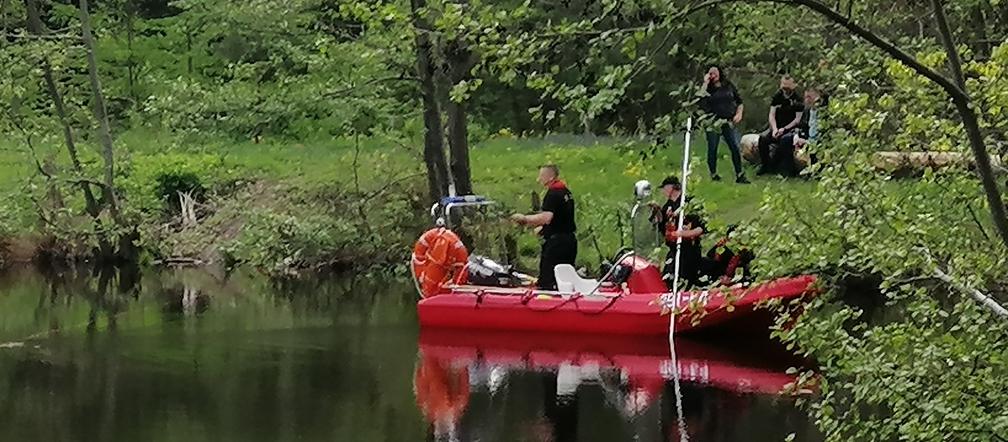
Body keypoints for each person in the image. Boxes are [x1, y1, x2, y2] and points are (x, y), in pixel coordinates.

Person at [511, 164, 577, 290]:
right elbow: (562, 217)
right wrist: (544, 229)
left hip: (557, 244)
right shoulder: (566, 192)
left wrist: (524, 219)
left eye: (542, 176)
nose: (538, 179)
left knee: (548, 279)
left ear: (551, 177)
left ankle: (547, 301)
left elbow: (546, 218)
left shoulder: (552, 194)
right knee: (566, 277)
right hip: (569, 241)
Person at [651, 176, 707, 289]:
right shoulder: (667, 207)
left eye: (665, 188)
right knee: (668, 276)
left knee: (687, 278)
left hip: (689, 249)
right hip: (673, 248)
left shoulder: (688, 204)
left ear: (672, 187)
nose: (663, 191)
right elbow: (662, 229)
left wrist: (682, 234)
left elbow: (701, 228)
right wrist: (657, 214)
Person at [698, 65, 749, 184]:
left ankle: (739, 175)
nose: (713, 75)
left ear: (720, 73)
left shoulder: (728, 85)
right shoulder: (707, 89)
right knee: (713, 148)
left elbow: (739, 101)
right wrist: (705, 83)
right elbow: (700, 100)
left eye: (715, 72)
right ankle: (713, 174)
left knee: (734, 147)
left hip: (728, 120)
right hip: (713, 121)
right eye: (710, 73)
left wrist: (738, 114)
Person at [757, 75, 804, 175]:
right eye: (783, 85)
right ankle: (765, 165)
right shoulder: (777, 96)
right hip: (776, 127)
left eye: (788, 86)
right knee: (763, 139)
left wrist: (784, 129)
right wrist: (774, 129)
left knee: (784, 141)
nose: (785, 88)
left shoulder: (797, 99)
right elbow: (772, 114)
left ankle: (781, 167)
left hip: (790, 128)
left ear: (793, 85)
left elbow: (797, 119)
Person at [774, 87, 823, 176]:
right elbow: (801, 126)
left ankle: (814, 171)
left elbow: (821, 134)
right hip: (806, 137)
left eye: (809, 97)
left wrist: (808, 142)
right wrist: (797, 137)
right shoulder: (807, 110)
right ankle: (787, 171)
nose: (807, 100)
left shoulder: (823, 113)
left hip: (817, 141)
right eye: (806, 97)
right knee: (786, 139)